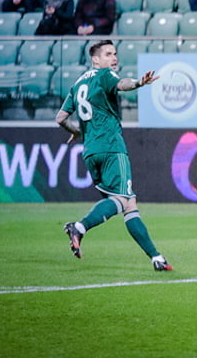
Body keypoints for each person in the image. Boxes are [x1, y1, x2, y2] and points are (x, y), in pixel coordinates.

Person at [59, 40, 172, 272]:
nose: (114, 58)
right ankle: (79, 227)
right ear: (95, 60)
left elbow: (60, 117)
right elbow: (123, 84)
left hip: (90, 152)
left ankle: (156, 258)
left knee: (129, 204)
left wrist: (76, 132)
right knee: (122, 199)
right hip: (111, 148)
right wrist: (140, 82)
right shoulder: (104, 75)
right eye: (108, 54)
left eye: (115, 54)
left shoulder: (77, 83)